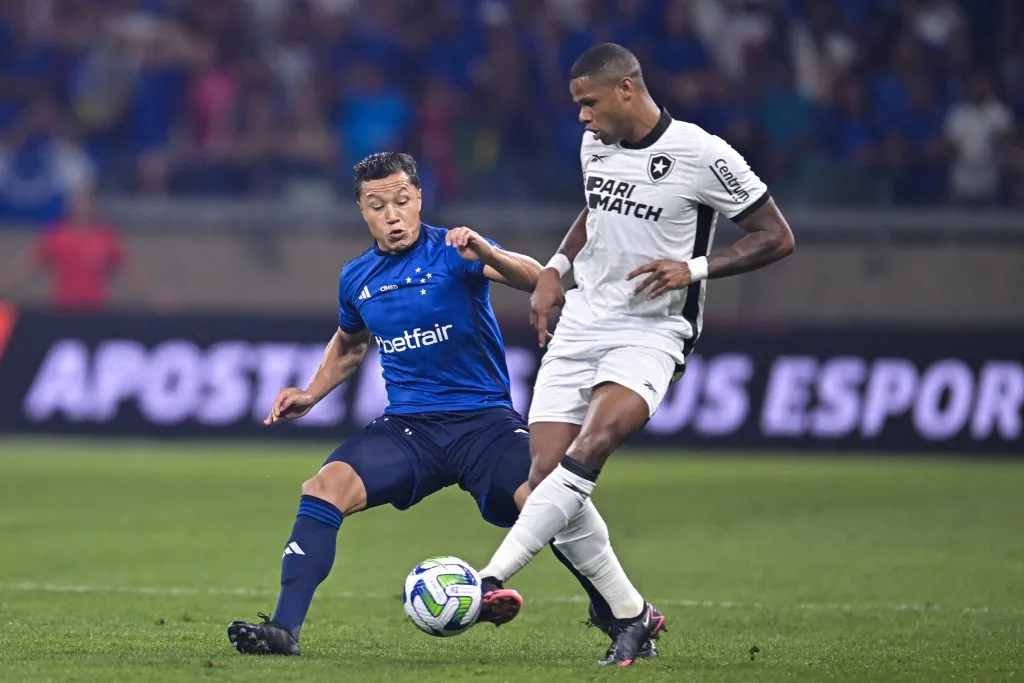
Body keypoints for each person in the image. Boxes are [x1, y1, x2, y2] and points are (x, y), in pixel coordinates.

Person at [227, 151, 658, 658]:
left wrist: (489, 253)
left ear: (419, 199)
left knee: (545, 497)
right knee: (324, 487)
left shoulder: (456, 250)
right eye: (377, 206)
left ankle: (617, 613)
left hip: (485, 425)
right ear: (362, 211)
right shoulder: (357, 277)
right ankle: (283, 630)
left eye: (401, 201)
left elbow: (540, 279)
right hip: (410, 430)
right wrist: (310, 392)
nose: (392, 215)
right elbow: (350, 344)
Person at [476, 43, 796, 666]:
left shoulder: (703, 154)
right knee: (541, 482)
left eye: (589, 102)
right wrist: (555, 269)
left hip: (651, 330)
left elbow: (777, 236)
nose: (582, 117)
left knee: (590, 447)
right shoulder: (595, 144)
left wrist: (694, 268)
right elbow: (595, 207)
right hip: (581, 324)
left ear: (627, 89)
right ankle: (632, 616)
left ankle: (488, 579)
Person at [0, 191, 170, 312]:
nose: (82, 208)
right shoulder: (57, 235)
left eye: (86, 203)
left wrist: (154, 296)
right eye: (78, 203)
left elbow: (128, 271)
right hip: (62, 309)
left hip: (95, 311)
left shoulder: (105, 237)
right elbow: (27, 266)